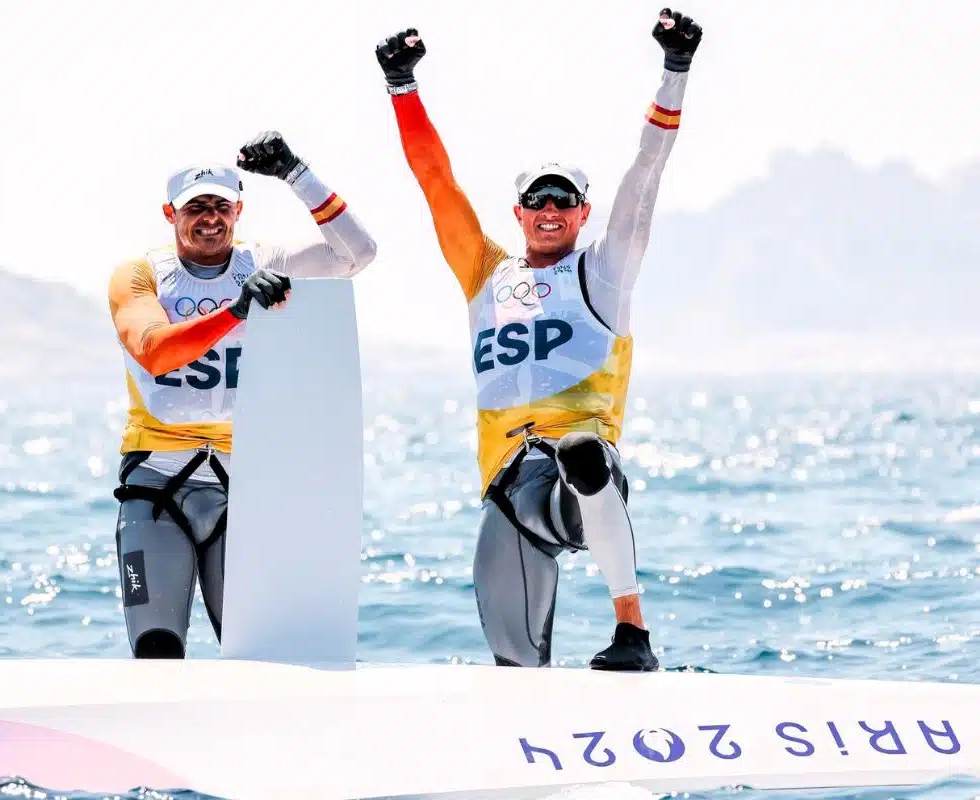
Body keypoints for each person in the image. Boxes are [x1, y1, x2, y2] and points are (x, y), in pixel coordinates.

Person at [375, 9, 703, 670]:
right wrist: (401, 86)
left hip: (583, 481)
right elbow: (436, 182)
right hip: (508, 488)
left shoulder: (604, 272)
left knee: (581, 452)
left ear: (584, 213)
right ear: (518, 212)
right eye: (538, 201)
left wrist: (675, 70)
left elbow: (646, 172)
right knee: (514, 672)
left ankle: (632, 633)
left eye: (565, 201)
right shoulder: (484, 274)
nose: (550, 211)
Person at [106, 131, 378, 658]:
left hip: (248, 484)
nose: (210, 218)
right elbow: (154, 351)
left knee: (261, 656)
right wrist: (234, 311)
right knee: (157, 651)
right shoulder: (140, 274)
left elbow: (357, 253)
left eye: (221, 207)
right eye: (196, 208)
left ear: (238, 211)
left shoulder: (265, 259)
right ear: (170, 214)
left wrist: (296, 172)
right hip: (158, 478)